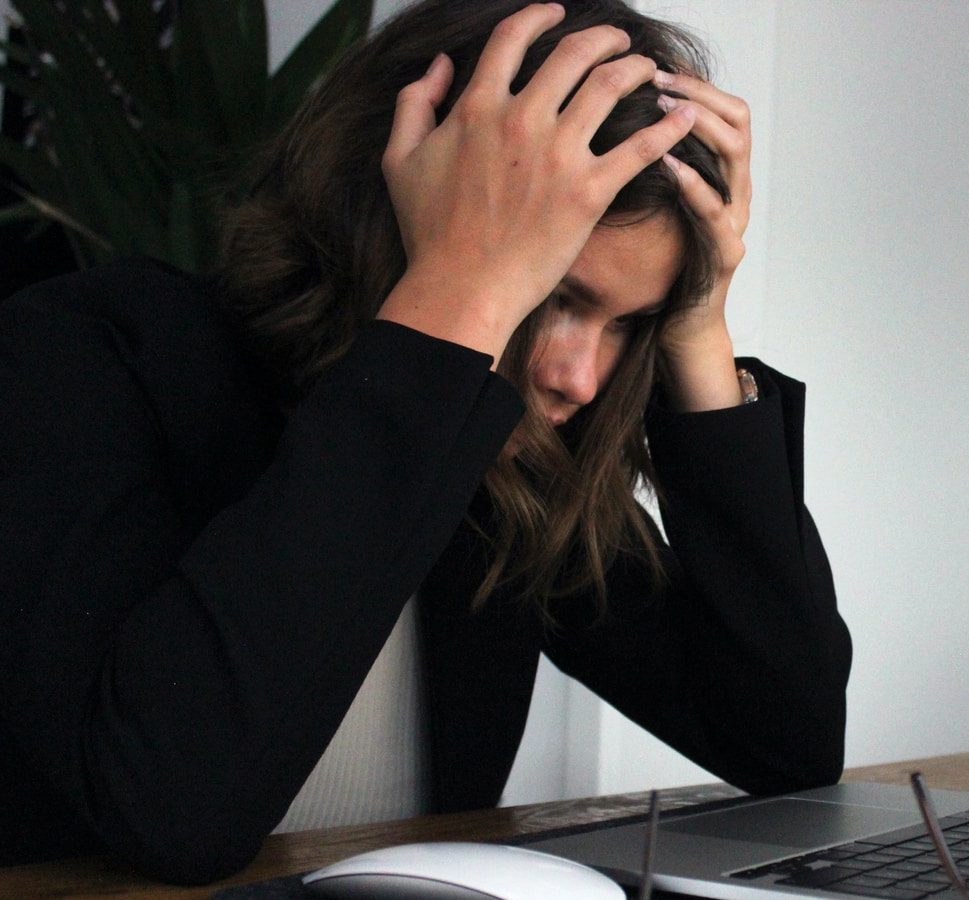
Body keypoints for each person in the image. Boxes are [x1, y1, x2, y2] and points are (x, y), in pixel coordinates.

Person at [0, 0, 850, 884]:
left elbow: (785, 741)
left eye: (627, 325)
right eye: (553, 293)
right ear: (392, 208)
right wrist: (460, 295)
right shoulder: (77, 359)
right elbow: (172, 811)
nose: (578, 378)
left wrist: (697, 329)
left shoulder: (503, 465)